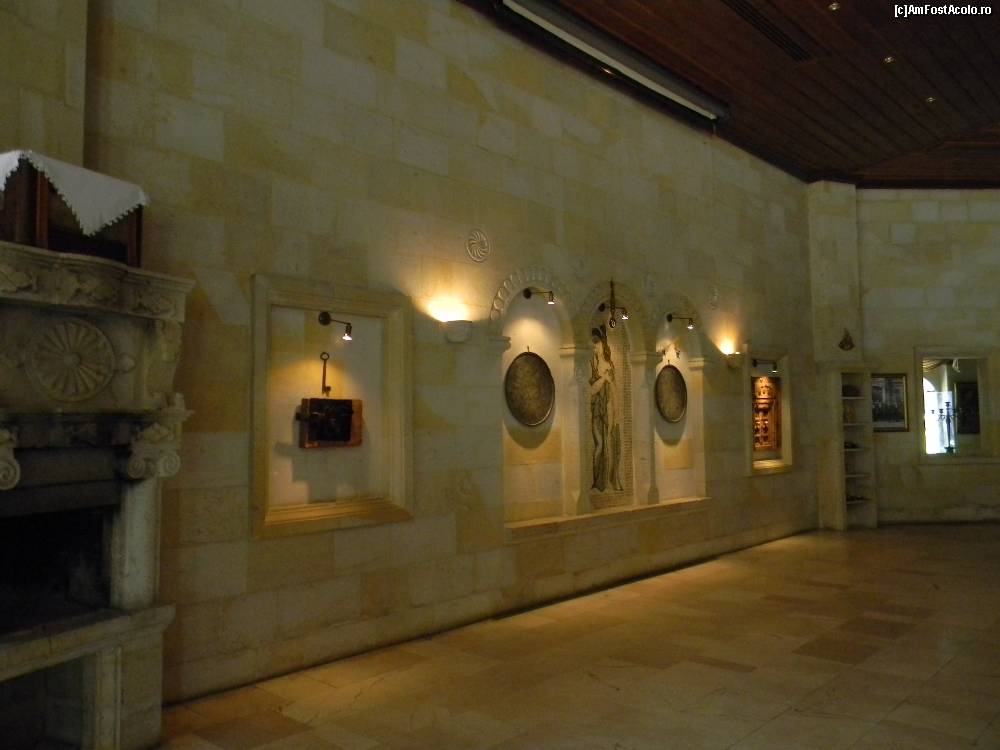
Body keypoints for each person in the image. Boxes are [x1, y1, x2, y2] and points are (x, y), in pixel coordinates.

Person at [590, 325, 623, 492]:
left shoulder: (610, 364)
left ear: (603, 343)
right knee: (600, 446)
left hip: (610, 407)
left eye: (597, 342)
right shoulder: (593, 365)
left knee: (613, 444)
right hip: (598, 410)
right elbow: (591, 390)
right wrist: (603, 379)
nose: (595, 347)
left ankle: (612, 479)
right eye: (593, 344)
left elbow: (614, 389)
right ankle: (598, 481)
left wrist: (617, 412)